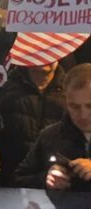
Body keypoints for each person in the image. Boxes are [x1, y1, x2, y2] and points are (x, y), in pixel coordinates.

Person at [15, 64, 91, 192]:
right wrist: (45, 178)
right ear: (65, 101)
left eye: (90, 106)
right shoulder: (50, 136)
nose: (83, 115)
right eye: (75, 107)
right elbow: (18, 180)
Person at [0, 60, 67, 185]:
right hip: (11, 183)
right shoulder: (6, 86)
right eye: (39, 49)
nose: (44, 57)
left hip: (59, 183)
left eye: (50, 50)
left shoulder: (69, 89)